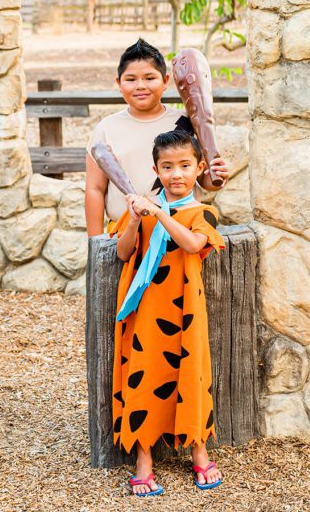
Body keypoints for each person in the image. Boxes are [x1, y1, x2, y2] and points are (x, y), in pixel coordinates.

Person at [110, 129, 226, 496]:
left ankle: (198, 450)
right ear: (156, 169)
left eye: (185, 166)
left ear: (199, 168)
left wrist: (160, 212)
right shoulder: (145, 210)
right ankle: (144, 460)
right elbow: (124, 253)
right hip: (146, 311)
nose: (176, 174)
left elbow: (192, 243)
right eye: (167, 167)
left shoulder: (202, 212)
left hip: (185, 311)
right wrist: (133, 217)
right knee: (144, 376)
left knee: (190, 374)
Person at [84, 38, 229, 238]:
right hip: (126, 234)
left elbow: (205, 181)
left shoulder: (186, 123)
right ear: (119, 83)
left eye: (150, 78)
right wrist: (95, 240)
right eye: (131, 79)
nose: (140, 86)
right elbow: (95, 189)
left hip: (181, 230)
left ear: (165, 81)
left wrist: (217, 176)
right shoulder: (107, 128)